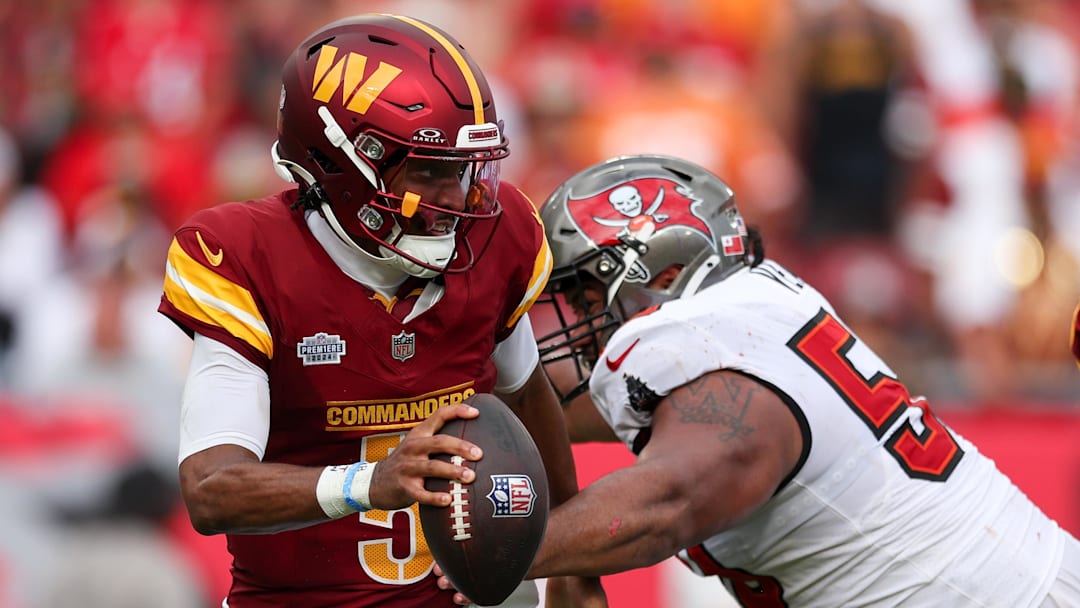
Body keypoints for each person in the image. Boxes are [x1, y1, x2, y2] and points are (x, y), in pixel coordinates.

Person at [439, 154, 1080, 606]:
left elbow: (669, 501)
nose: (572, 321)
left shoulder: (706, 349)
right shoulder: (741, 321)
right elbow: (552, 402)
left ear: (662, 278)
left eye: (582, 295)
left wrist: (509, 548)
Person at [157, 14, 603, 608]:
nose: (456, 202)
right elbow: (211, 489)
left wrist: (573, 561)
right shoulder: (246, 257)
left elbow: (526, 395)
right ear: (341, 162)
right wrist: (371, 482)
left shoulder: (499, 240)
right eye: (428, 170)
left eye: (466, 171)